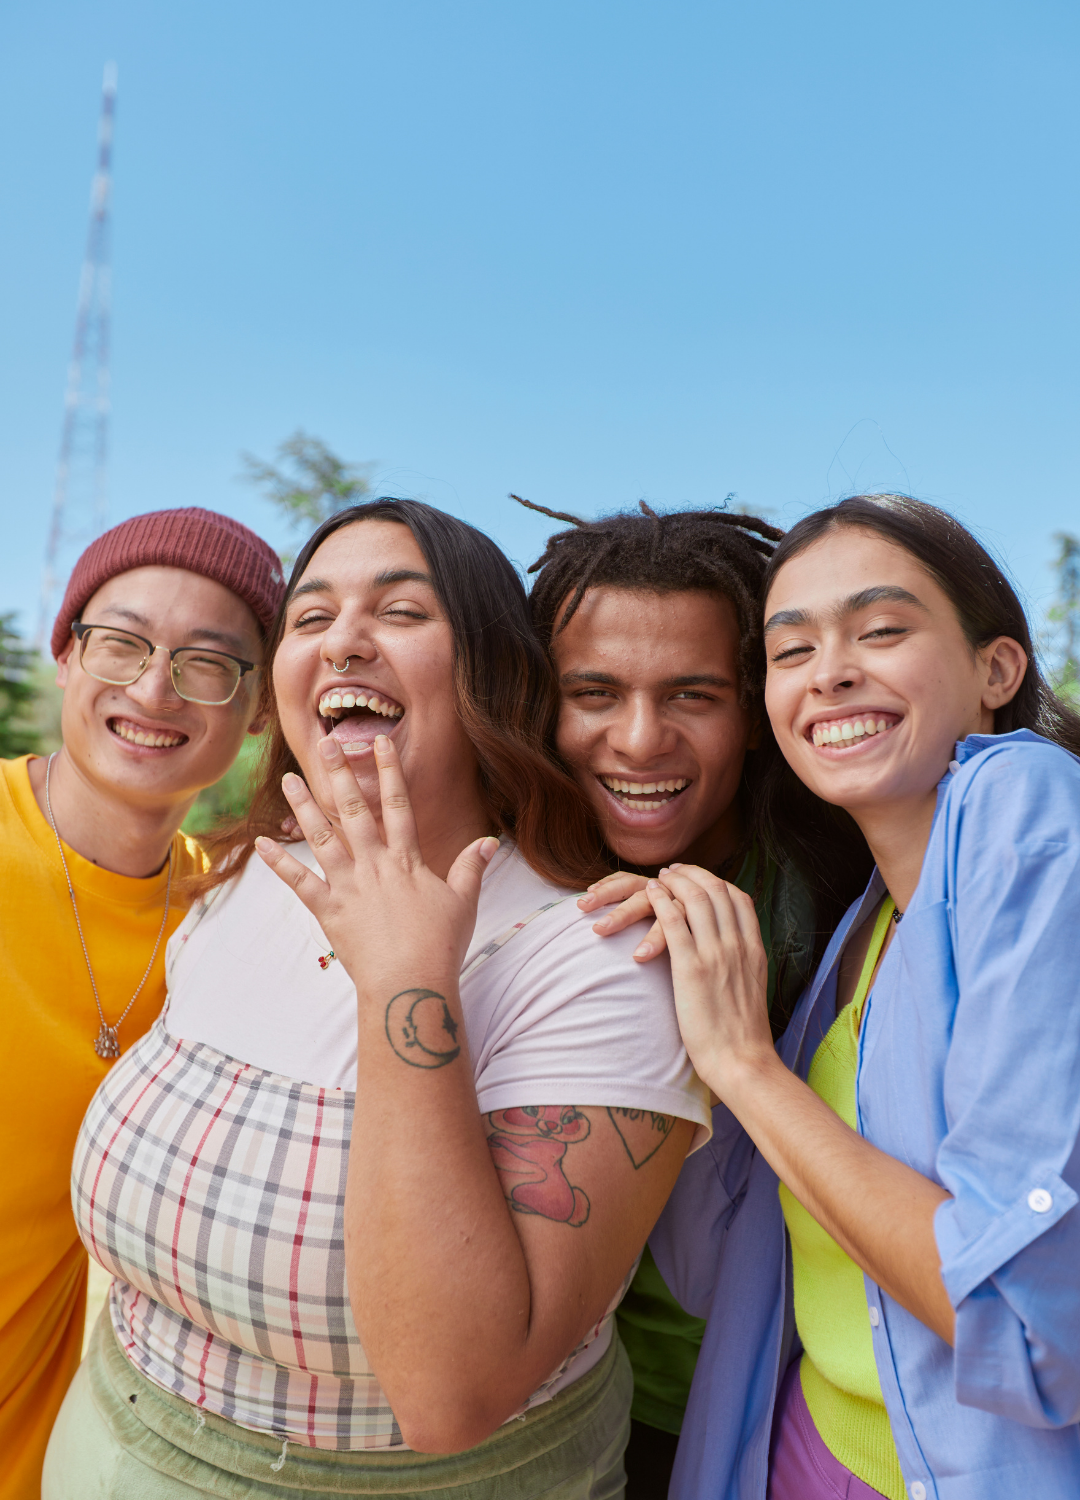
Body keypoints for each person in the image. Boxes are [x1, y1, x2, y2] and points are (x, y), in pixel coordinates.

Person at [46, 499, 713, 1499]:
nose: (345, 639)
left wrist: (408, 983)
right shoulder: (244, 884)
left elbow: (455, 1396)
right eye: (309, 619)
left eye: (402, 613)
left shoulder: (604, 959)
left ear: (495, 670)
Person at [638, 494, 1080, 1498]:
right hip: (802, 1444)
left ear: (996, 670)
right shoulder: (857, 926)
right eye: (790, 652)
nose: (830, 670)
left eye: (882, 631)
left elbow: (1020, 1329)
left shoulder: (1030, 807)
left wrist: (745, 1068)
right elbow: (725, 1279)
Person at [518, 497, 868, 1497]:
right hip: (571, 1410)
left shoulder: (845, 886)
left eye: (693, 695)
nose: (639, 739)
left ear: (755, 713)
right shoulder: (504, 880)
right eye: (594, 691)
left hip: (780, 1414)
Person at [0, 506, 283, 1500]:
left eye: (208, 662)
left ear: (258, 709)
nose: (153, 689)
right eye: (121, 642)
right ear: (67, 654)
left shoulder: (239, 916)